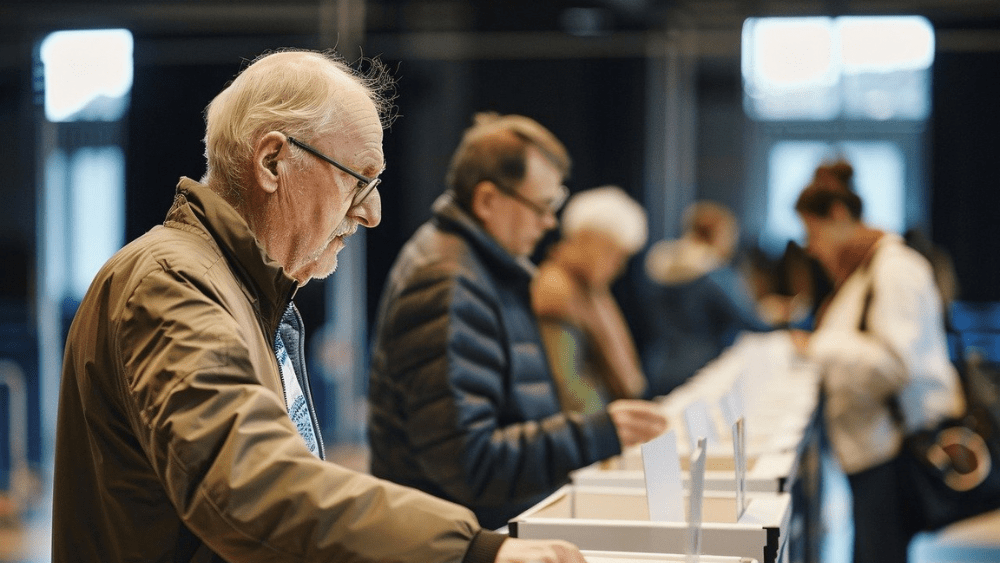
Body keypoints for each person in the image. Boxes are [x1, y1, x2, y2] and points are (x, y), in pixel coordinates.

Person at [52, 49, 589, 563]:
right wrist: (466, 550)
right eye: (359, 179)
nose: (372, 212)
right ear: (271, 161)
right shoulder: (171, 282)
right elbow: (250, 485)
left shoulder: (241, 290)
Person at [366, 112, 668, 530]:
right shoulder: (448, 282)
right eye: (541, 207)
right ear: (488, 200)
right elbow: (469, 463)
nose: (549, 223)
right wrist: (597, 434)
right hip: (459, 539)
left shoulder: (483, 269)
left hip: (490, 528)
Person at [790, 160, 965, 563]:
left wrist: (818, 347)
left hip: (891, 449)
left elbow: (895, 365)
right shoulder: (864, 271)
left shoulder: (895, 269)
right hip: (870, 450)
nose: (810, 247)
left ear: (837, 216)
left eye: (812, 233)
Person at [640, 200, 782, 397]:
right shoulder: (715, 274)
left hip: (659, 367)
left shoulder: (658, 268)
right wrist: (781, 316)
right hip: (702, 371)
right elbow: (748, 321)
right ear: (718, 234)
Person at [531, 185, 649, 414]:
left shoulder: (589, 289)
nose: (619, 266)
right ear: (586, 240)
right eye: (614, 253)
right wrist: (610, 432)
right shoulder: (556, 291)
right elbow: (571, 390)